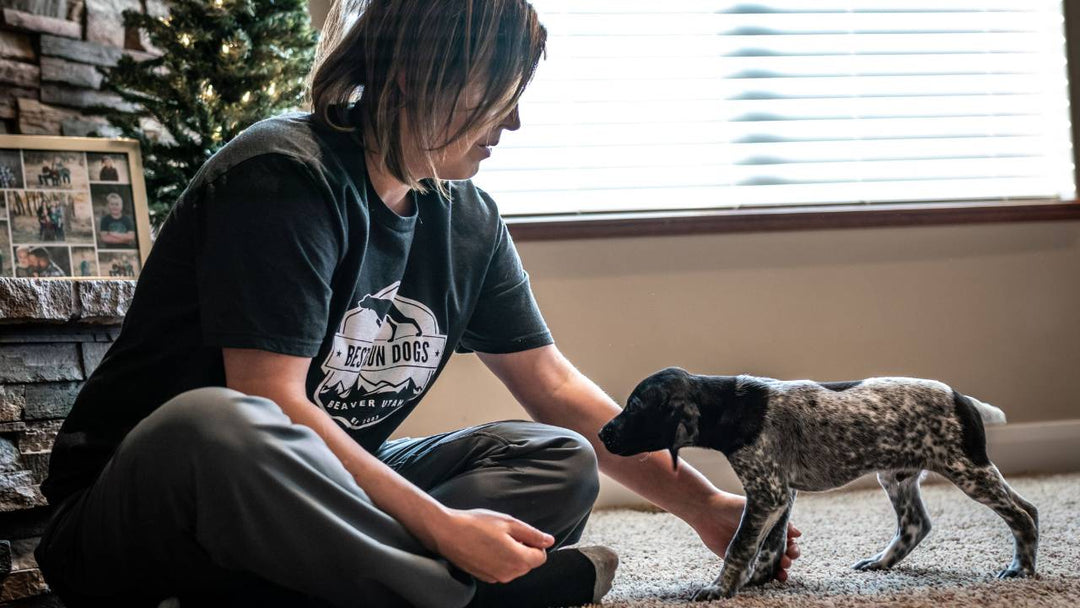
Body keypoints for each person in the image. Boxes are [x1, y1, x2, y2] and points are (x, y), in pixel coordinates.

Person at [35, 1, 800, 607]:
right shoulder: (284, 177)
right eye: (501, 91)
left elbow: (555, 391)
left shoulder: (465, 219)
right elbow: (271, 402)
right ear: (421, 71)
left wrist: (706, 506)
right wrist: (443, 530)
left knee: (556, 461)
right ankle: (454, 597)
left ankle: (318, 586)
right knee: (219, 422)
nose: (516, 121)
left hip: (317, 501)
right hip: (140, 512)